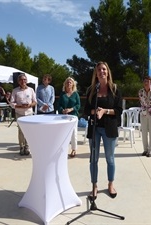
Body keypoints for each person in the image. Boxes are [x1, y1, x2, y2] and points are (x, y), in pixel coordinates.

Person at [84, 61, 123, 199]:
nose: (102, 71)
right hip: (94, 129)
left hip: (109, 129)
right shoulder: (91, 90)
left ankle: (110, 184)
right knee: (93, 159)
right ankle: (94, 186)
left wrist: (104, 111)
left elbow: (119, 110)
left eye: (104, 69)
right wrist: (95, 111)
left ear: (108, 72)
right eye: (99, 69)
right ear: (96, 73)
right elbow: (86, 110)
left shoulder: (115, 89)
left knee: (110, 159)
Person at [10, 73, 37, 156]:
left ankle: (27, 147)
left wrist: (29, 105)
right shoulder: (15, 91)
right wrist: (19, 106)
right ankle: (21, 147)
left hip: (29, 113)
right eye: (21, 80)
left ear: (27, 81)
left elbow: (35, 101)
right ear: (18, 81)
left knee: (29, 131)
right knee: (21, 131)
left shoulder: (31, 90)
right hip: (19, 113)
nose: (23, 81)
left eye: (24, 80)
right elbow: (11, 103)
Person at [57, 77, 81, 158]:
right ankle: (63, 149)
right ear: (65, 84)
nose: (69, 83)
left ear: (73, 84)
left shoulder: (76, 94)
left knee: (74, 133)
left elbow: (78, 105)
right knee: (63, 133)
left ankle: (74, 149)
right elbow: (58, 105)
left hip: (73, 116)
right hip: (63, 116)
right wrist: (62, 110)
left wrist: (71, 109)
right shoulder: (62, 94)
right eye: (67, 82)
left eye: (70, 82)